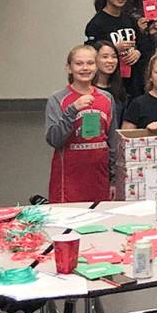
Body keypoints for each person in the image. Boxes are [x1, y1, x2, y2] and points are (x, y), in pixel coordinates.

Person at [46, 45, 115, 202]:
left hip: (99, 178)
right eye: (79, 63)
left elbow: (112, 141)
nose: (85, 68)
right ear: (69, 68)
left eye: (90, 63)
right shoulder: (57, 99)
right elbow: (54, 140)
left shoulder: (107, 98)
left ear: (96, 67)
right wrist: (72, 110)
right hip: (69, 180)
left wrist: (114, 180)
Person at [85, 0, 157, 99]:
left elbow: (143, 47)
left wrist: (138, 52)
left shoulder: (130, 20)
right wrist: (113, 50)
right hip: (108, 85)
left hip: (133, 84)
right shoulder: (96, 24)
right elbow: (90, 54)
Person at [91, 40, 126, 127]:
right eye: (105, 57)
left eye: (114, 57)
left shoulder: (119, 89)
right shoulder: (88, 89)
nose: (110, 61)